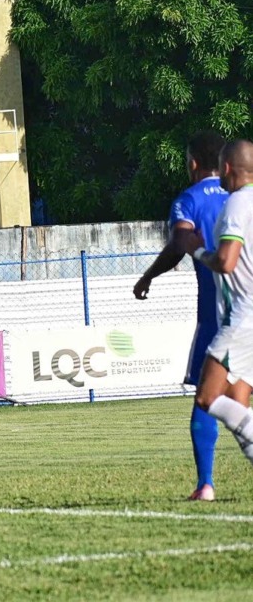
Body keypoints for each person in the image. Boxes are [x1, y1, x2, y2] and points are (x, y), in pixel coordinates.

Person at [135, 130, 227, 501]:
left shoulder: (189, 200)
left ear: (192, 163)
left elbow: (179, 244)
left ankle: (205, 483)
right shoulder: (243, 197)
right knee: (236, 396)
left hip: (218, 316)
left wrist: (148, 276)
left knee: (208, 398)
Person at [180, 139, 253, 480]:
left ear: (226, 168)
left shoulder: (238, 203)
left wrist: (197, 251)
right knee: (238, 405)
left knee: (208, 399)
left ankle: (205, 483)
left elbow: (225, 262)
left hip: (241, 317)